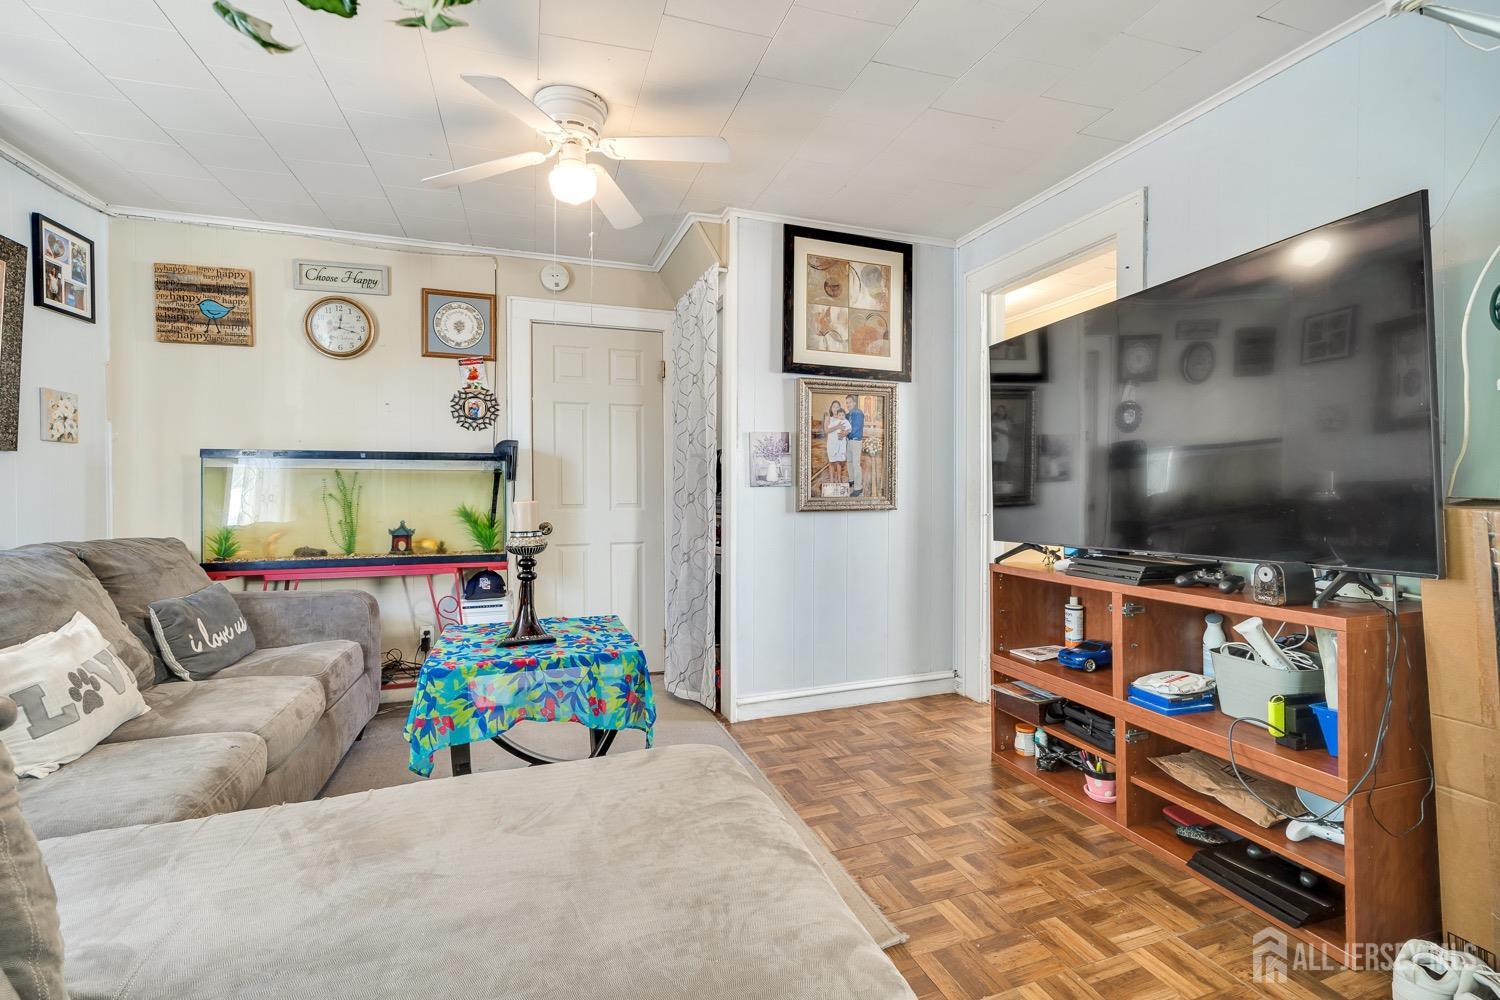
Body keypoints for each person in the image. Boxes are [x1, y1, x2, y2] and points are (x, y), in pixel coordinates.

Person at [844, 393, 865, 497]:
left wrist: (845, 433)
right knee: (849, 461)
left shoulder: (858, 413)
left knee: (856, 464)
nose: (848, 404)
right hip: (849, 440)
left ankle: (858, 487)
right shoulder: (849, 414)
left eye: (850, 402)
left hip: (856, 441)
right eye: (846, 403)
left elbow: (855, 427)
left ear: (854, 402)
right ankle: (852, 479)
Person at [824, 400, 849, 486]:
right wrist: (837, 426)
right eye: (834, 406)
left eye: (837, 407)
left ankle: (838, 479)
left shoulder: (842, 418)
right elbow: (826, 430)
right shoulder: (829, 418)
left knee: (839, 462)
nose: (835, 408)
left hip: (840, 443)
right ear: (831, 408)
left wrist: (843, 434)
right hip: (831, 443)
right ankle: (831, 480)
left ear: (840, 409)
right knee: (831, 462)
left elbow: (847, 429)